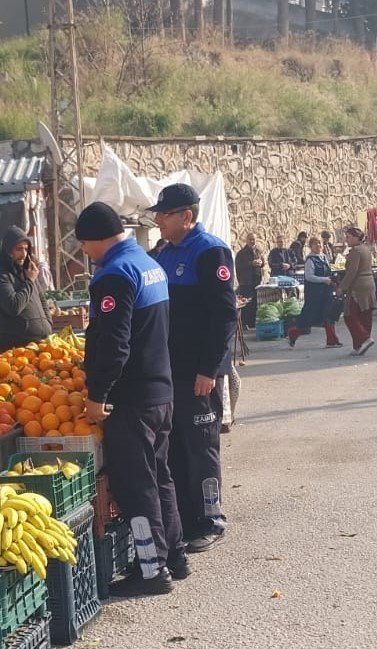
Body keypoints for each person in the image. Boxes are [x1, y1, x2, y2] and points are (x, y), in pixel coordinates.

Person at [74, 201, 185, 595]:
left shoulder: (114, 275)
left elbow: (115, 346)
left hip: (132, 398)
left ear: (97, 239)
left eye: (84, 244)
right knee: (160, 475)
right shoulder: (148, 263)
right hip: (160, 390)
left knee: (136, 484)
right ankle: (174, 554)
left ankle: (152, 571)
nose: (84, 252)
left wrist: (97, 394)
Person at [150, 183, 237, 553]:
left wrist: (210, 369)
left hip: (197, 373)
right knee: (176, 446)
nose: (157, 221)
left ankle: (210, 517)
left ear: (186, 216)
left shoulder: (209, 251)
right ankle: (184, 520)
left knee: (202, 446)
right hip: (169, 370)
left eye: (164, 214)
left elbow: (224, 315)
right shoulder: (163, 252)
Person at [0, 226, 53, 352]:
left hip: (41, 345)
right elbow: (13, 306)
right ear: (8, 250)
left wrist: (48, 324)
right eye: (19, 249)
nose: (24, 254)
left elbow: (41, 300)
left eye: (26, 249)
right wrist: (29, 281)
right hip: (15, 350)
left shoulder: (27, 269)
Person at [286, 236, 342, 349]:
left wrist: (333, 281)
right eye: (315, 244)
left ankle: (332, 340)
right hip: (314, 294)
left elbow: (328, 272)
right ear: (310, 246)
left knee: (329, 316)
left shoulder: (324, 257)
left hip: (326, 292)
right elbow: (309, 277)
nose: (318, 246)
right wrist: (324, 280)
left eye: (319, 243)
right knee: (307, 319)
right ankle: (293, 333)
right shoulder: (310, 260)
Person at [338, 227, 377, 356]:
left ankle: (364, 338)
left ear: (356, 238)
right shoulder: (366, 249)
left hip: (358, 287)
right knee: (365, 315)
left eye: (348, 237)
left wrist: (341, 287)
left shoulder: (355, 251)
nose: (346, 239)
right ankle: (359, 346)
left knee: (349, 315)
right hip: (369, 284)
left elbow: (352, 272)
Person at [234, 232, 264, 327]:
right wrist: (251, 263)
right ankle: (244, 323)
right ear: (246, 240)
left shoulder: (258, 251)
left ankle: (252, 323)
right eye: (250, 239)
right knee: (246, 303)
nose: (252, 241)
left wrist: (261, 263)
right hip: (246, 282)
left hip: (256, 280)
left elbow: (263, 262)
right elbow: (239, 266)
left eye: (254, 239)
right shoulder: (242, 253)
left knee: (255, 303)